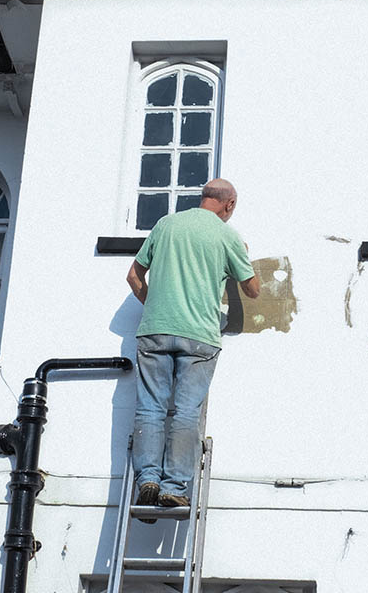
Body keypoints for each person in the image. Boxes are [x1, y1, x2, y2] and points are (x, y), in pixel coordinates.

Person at [125, 178, 260, 513]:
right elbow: (253, 289)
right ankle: (173, 487)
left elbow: (133, 276)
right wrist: (241, 255)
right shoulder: (226, 236)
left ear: (203, 198)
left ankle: (148, 481)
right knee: (186, 412)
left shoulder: (165, 225)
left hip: (155, 330)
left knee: (150, 409)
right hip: (199, 336)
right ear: (229, 204)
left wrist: (155, 305)